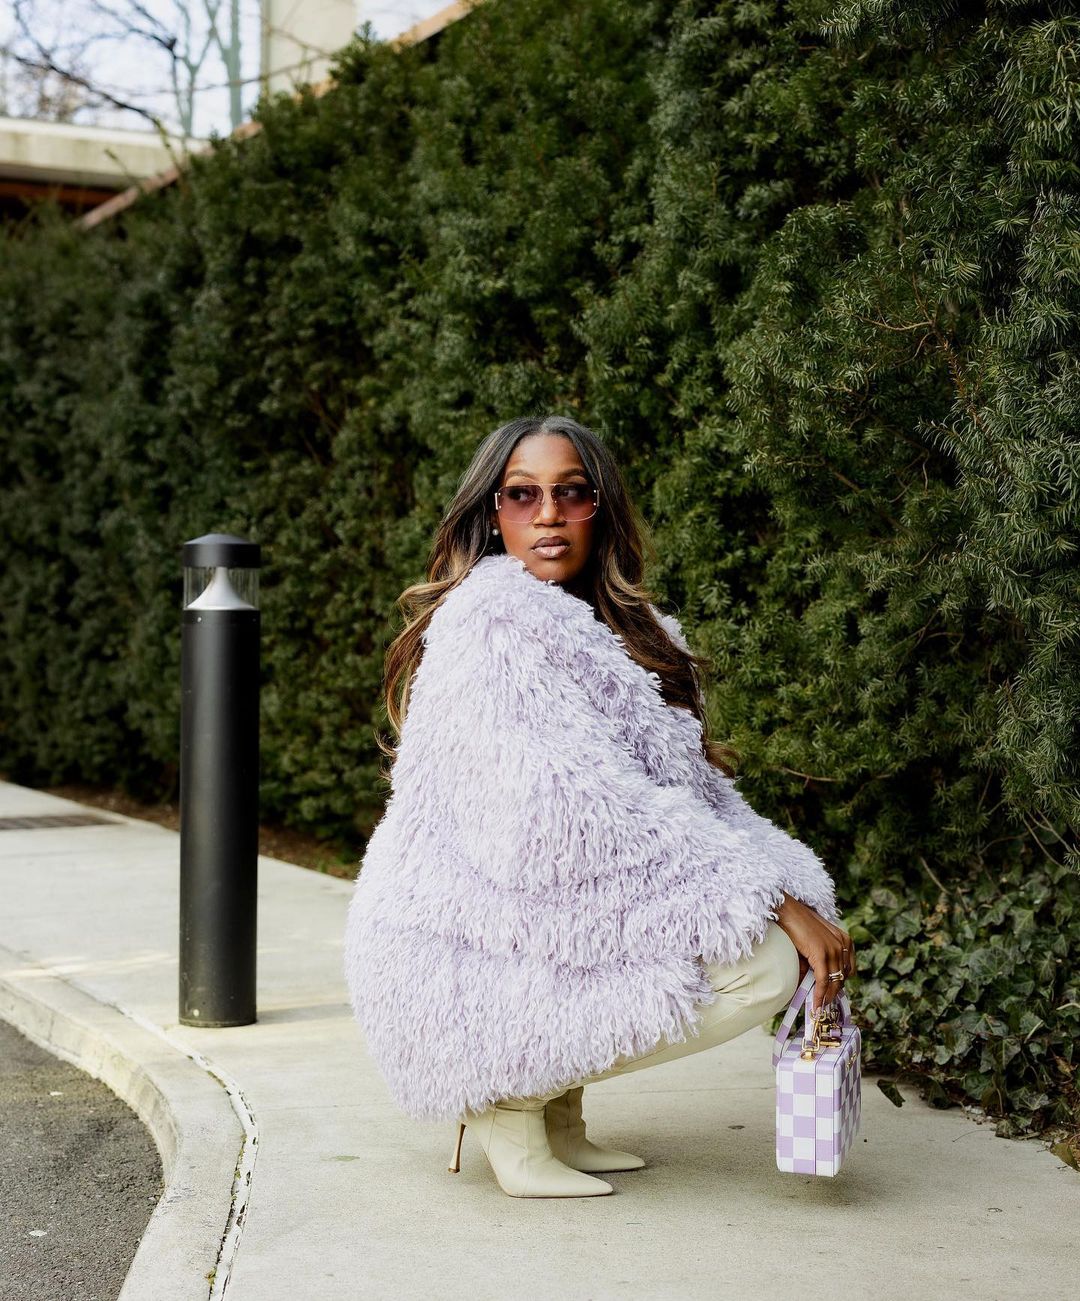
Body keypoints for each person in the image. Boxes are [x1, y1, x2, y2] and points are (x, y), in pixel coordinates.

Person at [343, 413, 855, 1199]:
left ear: (599, 508)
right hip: (454, 940)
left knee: (763, 938)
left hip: (520, 914)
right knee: (764, 965)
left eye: (571, 493)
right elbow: (569, 820)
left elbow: (699, 800)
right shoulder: (492, 625)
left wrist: (792, 889)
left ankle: (558, 1116)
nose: (548, 514)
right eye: (523, 494)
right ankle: (508, 1098)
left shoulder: (621, 631)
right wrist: (772, 901)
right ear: (494, 513)